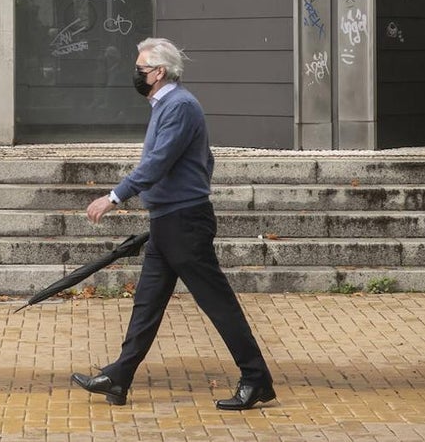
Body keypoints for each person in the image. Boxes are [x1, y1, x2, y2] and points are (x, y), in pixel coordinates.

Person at [70, 37, 276, 410]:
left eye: (140, 69)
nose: (136, 74)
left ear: (159, 72)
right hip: (169, 220)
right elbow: (204, 159)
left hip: (184, 222)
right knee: (147, 304)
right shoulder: (166, 105)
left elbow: (157, 163)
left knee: (218, 303)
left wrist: (113, 197)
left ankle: (257, 379)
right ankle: (119, 378)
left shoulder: (179, 106)